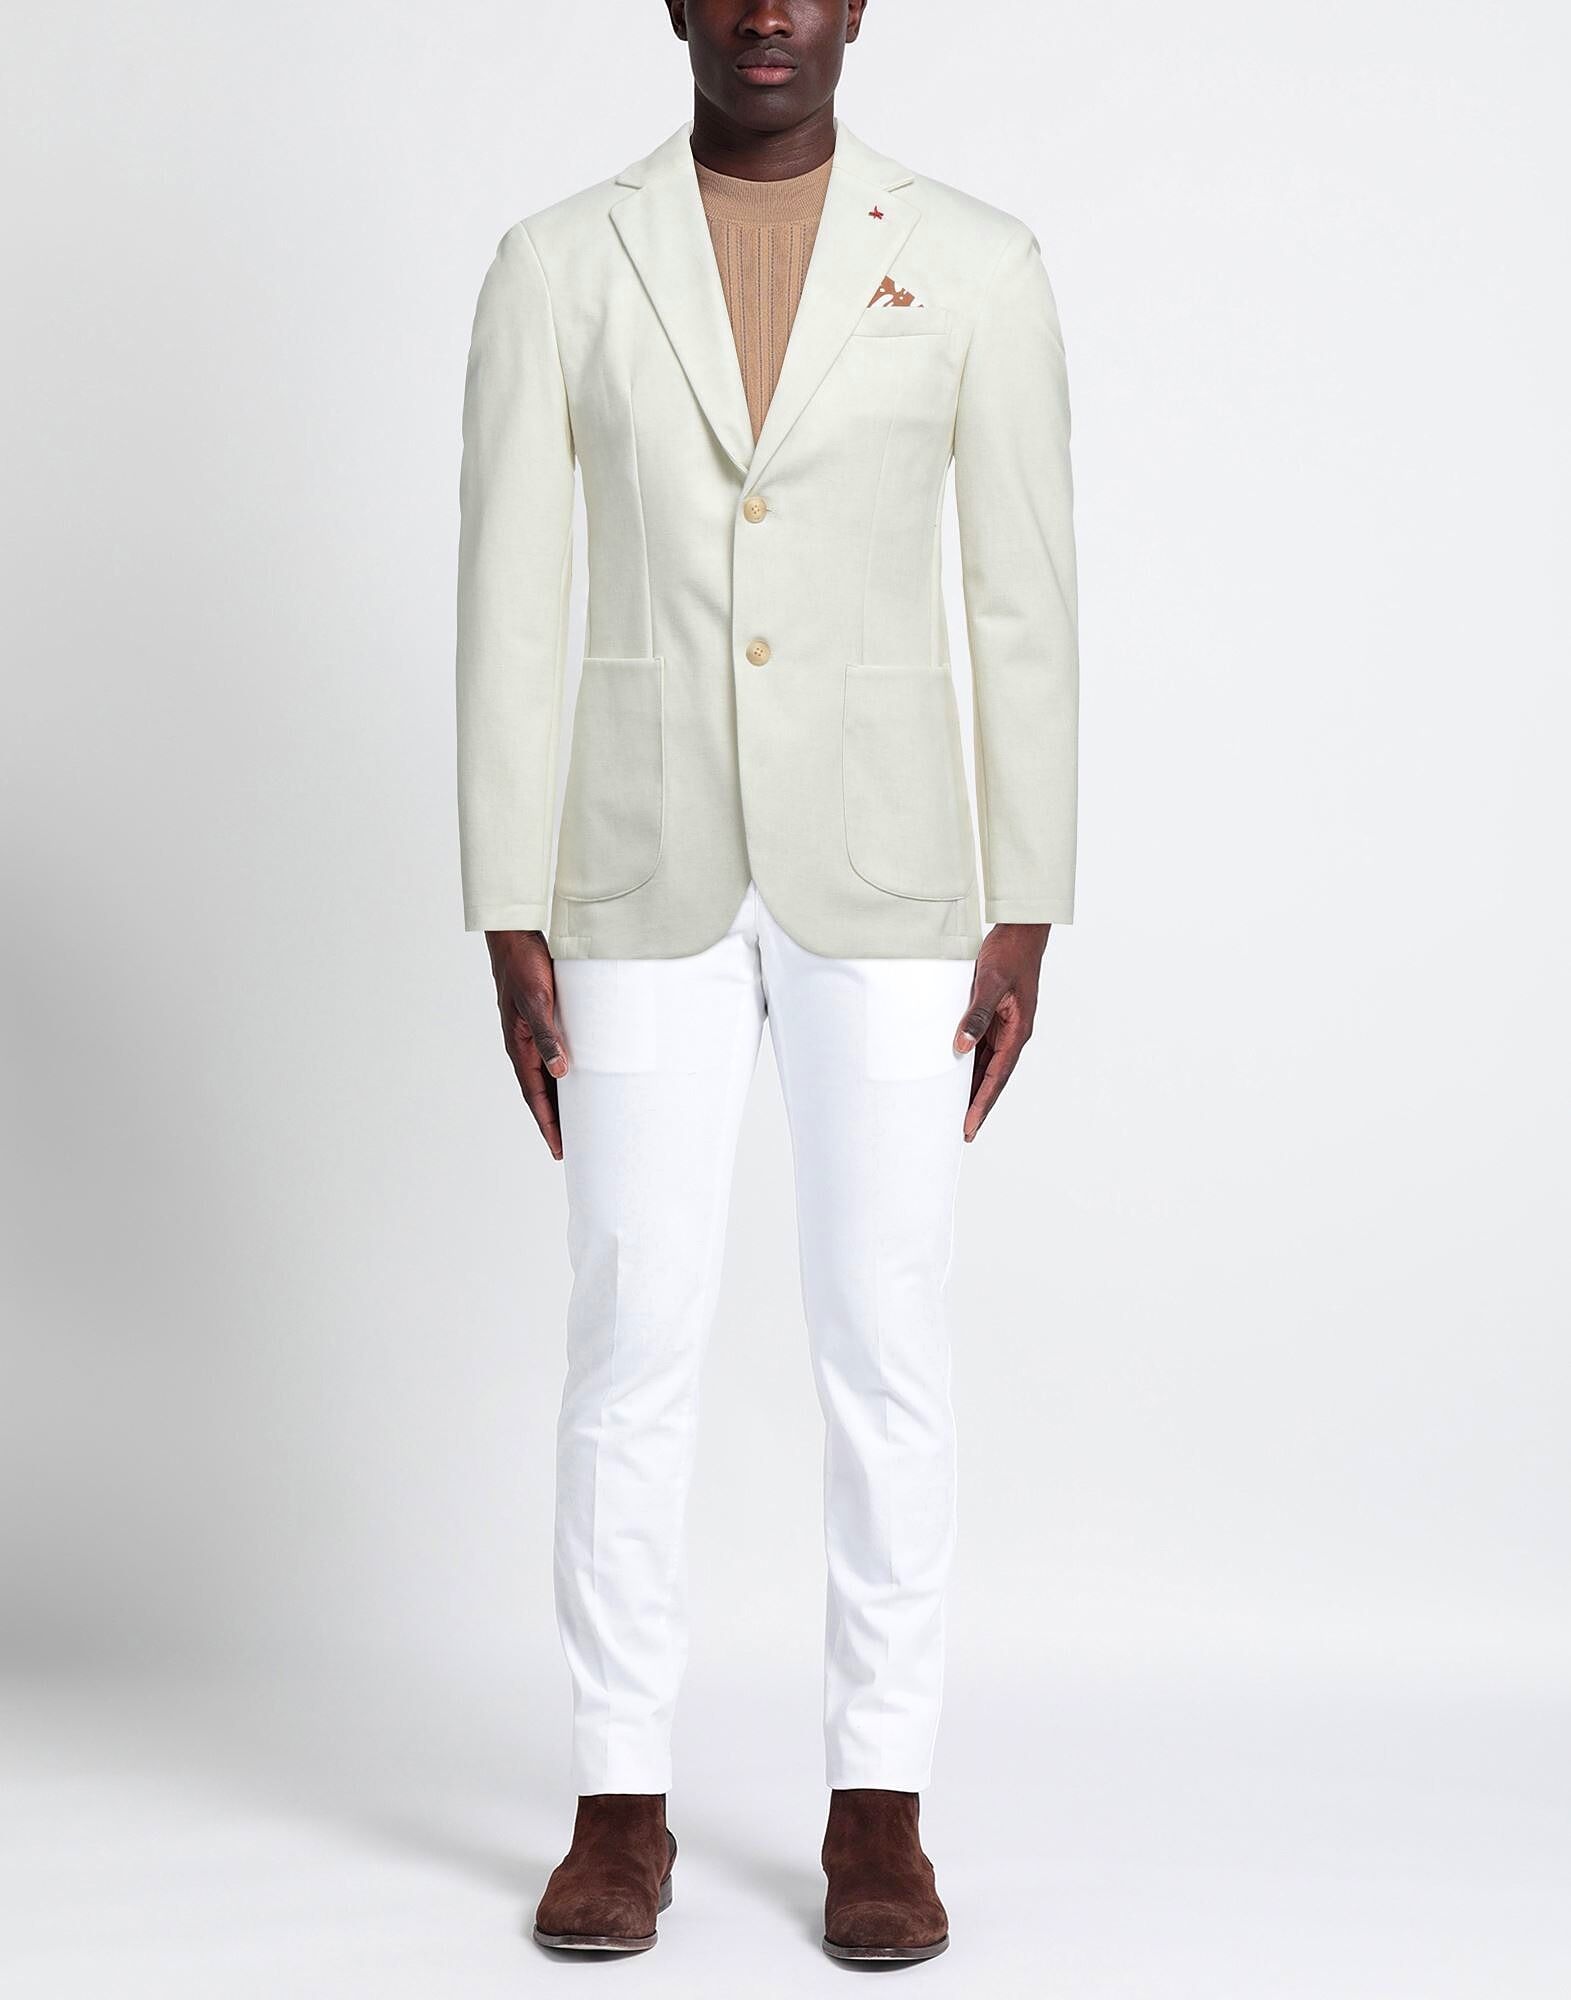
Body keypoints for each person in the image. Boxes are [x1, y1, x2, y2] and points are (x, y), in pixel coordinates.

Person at [455, 0, 1077, 1963]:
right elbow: (512, 596)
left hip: (891, 874)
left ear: (860, 2)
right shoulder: (559, 264)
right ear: (673, 2)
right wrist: (506, 899)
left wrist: (1027, 897)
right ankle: (617, 1800)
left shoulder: (975, 264)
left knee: (886, 1336)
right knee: (631, 1331)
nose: (766, 11)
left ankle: (878, 1804)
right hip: (630, 861)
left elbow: (1021, 596)